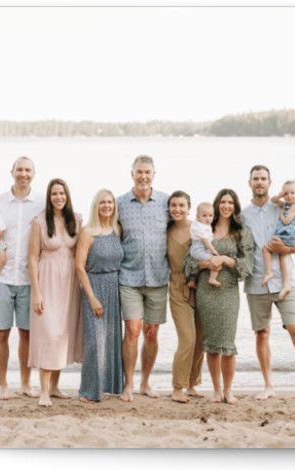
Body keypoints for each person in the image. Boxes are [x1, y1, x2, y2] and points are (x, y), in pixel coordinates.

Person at [242, 165, 295, 410]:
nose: (260, 182)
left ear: (270, 182)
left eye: (263, 178)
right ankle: (268, 386)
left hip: (287, 282)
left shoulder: (284, 208)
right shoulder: (243, 216)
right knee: (261, 334)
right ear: (249, 183)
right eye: (256, 179)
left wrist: (287, 250)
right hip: (257, 283)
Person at [0, 156, 44, 400]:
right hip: (2, 278)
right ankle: (2, 384)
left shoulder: (40, 202)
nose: (23, 174)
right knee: (1, 333)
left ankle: (26, 384)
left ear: (34, 173)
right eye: (19, 169)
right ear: (12, 172)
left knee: (27, 333)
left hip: (29, 279)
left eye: (28, 170)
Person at [184, 189, 254, 404]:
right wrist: (207, 263)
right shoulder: (205, 227)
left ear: (235, 206)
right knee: (212, 343)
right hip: (207, 290)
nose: (226, 206)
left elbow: (248, 263)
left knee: (227, 342)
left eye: (230, 202)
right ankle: (216, 390)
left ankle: (229, 390)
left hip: (229, 290)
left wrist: (225, 259)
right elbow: (188, 261)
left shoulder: (240, 231)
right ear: (216, 205)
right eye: (222, 202)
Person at [117, 155, 169, 402]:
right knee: (133, 330)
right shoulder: (119, 204)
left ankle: (145, 382)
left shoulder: (166, 202)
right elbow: (105, 231)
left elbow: (183, 227)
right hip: (129, 277)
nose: (143, 176)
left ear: (154, 174)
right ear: (132, 174)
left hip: (159, 278)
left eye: (147, 172)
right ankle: (128, 384)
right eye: (139, 172)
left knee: (151, 332)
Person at [27, 178, 83, 407]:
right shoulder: (39, 221)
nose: (59, 197)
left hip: (70, 282)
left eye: (62, 193)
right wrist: (36, 292)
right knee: (48, 334)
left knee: (63, 334)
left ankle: (55, 387)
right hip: (47, 281)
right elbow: (32, 257)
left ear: (67, 196)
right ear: (49, 197)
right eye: (54, 194)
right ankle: (43, 392)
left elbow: (82, 253)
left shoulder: (76, 220)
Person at [76, 189, 124, 402]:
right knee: (95, 342)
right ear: (96, 206)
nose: (107, 206)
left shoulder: (117, 229)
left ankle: (108, 387)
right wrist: (92, 297)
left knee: (111, 341)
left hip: (114, 288)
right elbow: (79, 266)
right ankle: (88, 391)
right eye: (103, 202)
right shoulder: (88, 232)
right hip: (94, 287)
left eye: (110, 202)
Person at [167, 191, 205, 403]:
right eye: (174, 205)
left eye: (182, 205)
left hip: (201, 287)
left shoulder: (198, 228)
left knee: (200, 338)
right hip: (177, 288)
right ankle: (177, 387)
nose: (177, 209)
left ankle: (192, 384)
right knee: (187, 338)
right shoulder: (165, 231)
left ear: (189, 207)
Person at [261, 180, 295, 300]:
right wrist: (280, 196)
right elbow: (273, 201)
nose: (289, 196)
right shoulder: (286, 205)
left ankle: (269, 272)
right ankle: (286, 284)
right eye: (286, 193)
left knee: (266, 247)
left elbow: (286, 221)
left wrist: (280, 213)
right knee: (282, 256)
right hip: (287, 235)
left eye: (292, 193)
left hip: (290, 236)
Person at [190, 202, 222, 288]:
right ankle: (212, 279)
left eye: (210, 215)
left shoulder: (204, 225)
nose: (208, 218)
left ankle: (192, 280)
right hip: (199, 248)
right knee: (216, 261)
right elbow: (205, 241)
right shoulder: (199, 227)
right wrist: (214, 252)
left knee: (202, 263)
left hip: (200, 248)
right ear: (197, 216)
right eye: (204, 216)